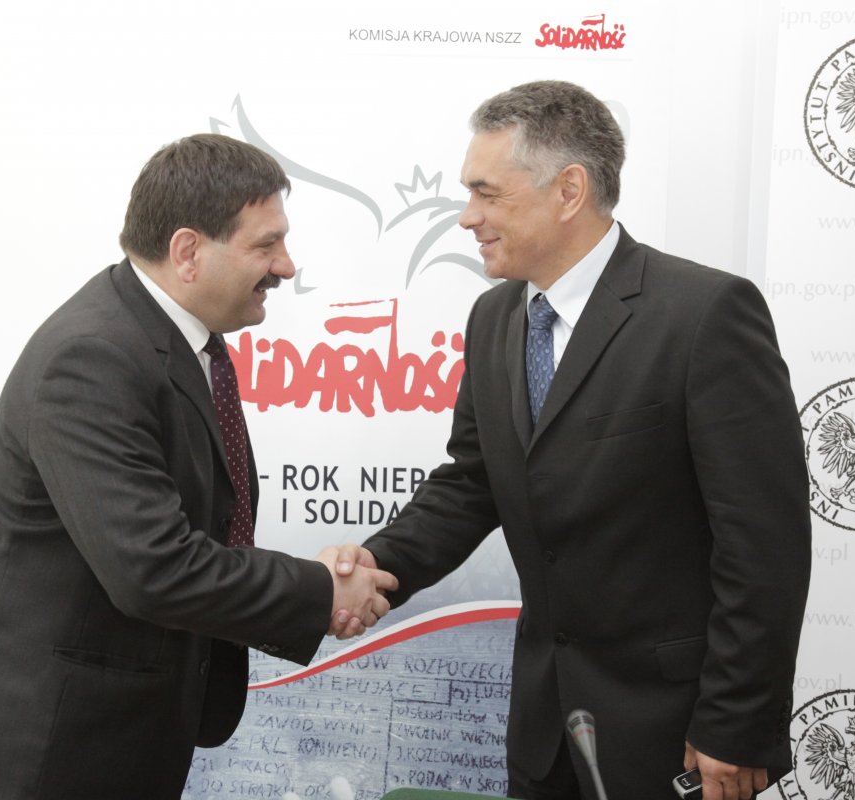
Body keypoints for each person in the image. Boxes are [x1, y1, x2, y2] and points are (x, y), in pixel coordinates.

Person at [333, 81, 811, 799]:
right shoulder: (494, 319)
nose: (468, 217)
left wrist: (735, 723)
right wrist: (376, 566)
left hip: (675, 734)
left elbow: (764, 546)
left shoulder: (705, 314)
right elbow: (473, 482)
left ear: (569, 190)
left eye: (487, 193)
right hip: (545, 729)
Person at [0, 133, 397, 800]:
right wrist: (319, 591)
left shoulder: (182, 340)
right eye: (266, 244)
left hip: (135, 721)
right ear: (188, 252)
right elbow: (153, 568)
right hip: (62, 743)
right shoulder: (91, 359)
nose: (286, 265)